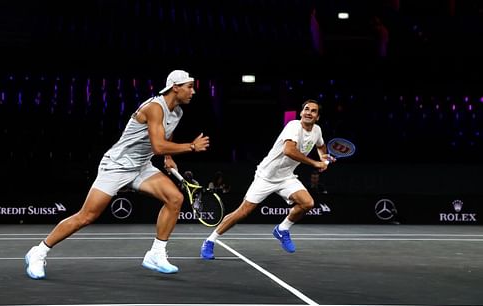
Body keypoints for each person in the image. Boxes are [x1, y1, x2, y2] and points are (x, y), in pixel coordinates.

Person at [25, 69, 210, 278]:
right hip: (116, 166)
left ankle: (156, 254)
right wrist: (191, 147)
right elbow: (158, 146)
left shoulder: (177, 112)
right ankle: (38, 252)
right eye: (189, 87)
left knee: (175, 198)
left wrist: (168, 158)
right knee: (86, 216)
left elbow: (165, 136)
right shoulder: (154, 108)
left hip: (141, 166)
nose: (193, 91)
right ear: (175, 87)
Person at [200, 99, 333, 259]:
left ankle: (282, 229)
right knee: (243, 212)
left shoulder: (317, 130)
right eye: (306, 109)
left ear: (317, 117)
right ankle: (209, 241)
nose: (308, 113)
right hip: (266, 176)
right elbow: (289, 150)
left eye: (313, 111)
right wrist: (315, 163)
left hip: (287, 177)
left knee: (308, 203)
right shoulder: (293, 126)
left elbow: (320, 145)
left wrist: (324, 158)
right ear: (301, 112)